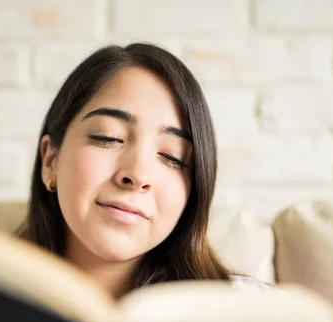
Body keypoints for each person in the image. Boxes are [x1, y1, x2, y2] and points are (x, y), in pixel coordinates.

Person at [18, 42, 274, 298]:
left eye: (172, 157)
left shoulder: (255, 310)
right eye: (109, 138)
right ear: (51, 160)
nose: (138, 175)